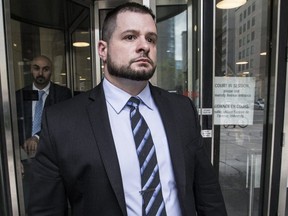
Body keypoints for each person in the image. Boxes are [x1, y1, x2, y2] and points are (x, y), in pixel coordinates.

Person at [28, 3, 227, 216]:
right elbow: (45, 209)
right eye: (130, 37)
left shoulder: (182, 109)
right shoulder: (62, 122)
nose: (144, 46)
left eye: (151, 39)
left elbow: (208, 192)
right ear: (102, 50)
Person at [16, 55, 72, 156]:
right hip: (23, 153)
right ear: (31, 70)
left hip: (52, 153)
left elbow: (61, 124)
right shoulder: (19, 95)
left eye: (45, 69)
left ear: (51, 71)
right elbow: (14, 125)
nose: (40, 73)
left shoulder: (62, 94)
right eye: (36, 68)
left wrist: (37, 137)